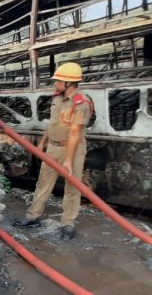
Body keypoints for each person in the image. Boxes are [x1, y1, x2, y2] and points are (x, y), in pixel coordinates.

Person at [14, 62, 93, 240]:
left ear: (69, 83)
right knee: (43, 182)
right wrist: (42, 143)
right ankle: (32, 216)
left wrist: (68, 161)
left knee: (72, 186)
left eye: (58, 81)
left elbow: (74, 133)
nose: (55, 83)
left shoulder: (81, 103)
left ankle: (68, 224)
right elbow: (53, 123)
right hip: (53, 147)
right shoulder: (57, 98)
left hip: (73, 149)